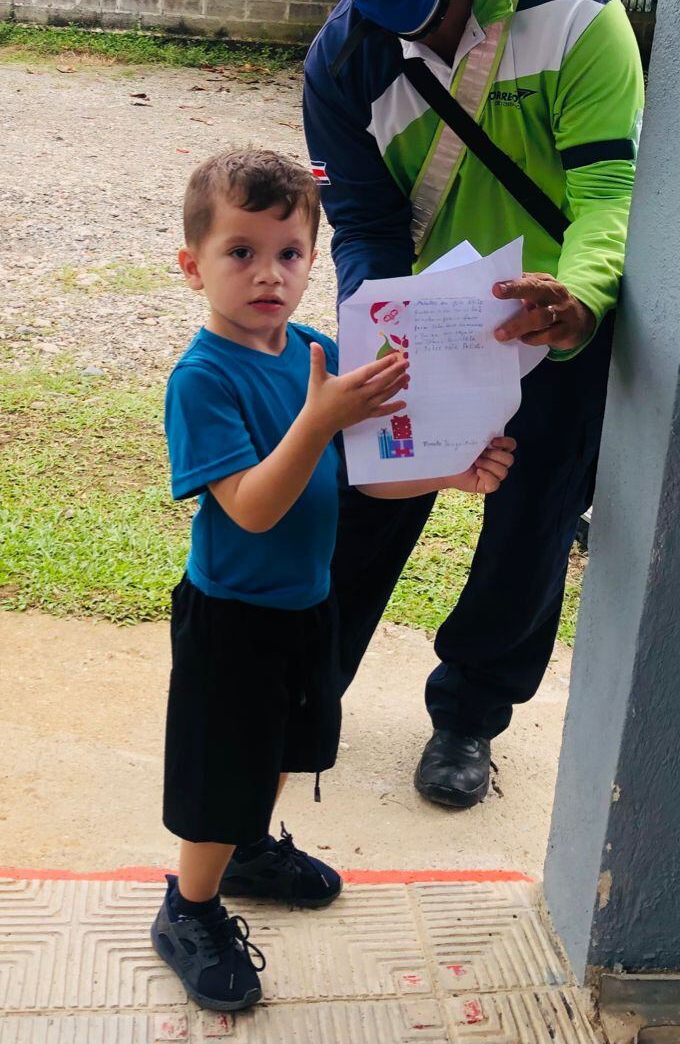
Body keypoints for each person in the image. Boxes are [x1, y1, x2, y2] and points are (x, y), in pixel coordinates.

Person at [288, 0, 645, 811]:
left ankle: (469, 717)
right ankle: (307, 699)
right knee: (360, 511)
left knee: (528, 527)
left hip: (554, 324)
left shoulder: (572, 8)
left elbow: (609, 191)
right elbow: (357, 218)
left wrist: (577, 299)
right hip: (429, 327)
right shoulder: (345, 62)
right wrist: (376, 314)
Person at [152, 147, 515, 1012]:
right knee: (223, 770)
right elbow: (251, 508)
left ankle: (246, 851)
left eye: (288, 253)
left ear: (314, 261)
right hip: (231, 617)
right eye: (240, 251)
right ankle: (189, 906)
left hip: (307, 606)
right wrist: (317, 417)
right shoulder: (203, 379)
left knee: (282, 747)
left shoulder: (314, 351)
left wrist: (444, 474)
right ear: (191, 263)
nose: (267, 274)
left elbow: (367, 473)